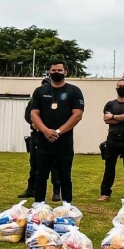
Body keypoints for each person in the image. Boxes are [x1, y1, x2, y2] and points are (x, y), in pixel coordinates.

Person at [30, 60, 84, 204]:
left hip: (64, 142)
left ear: (65, 72)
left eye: (60, 70)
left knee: (65, 176)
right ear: (49, 71)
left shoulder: (74, 91)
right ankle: (38, 206)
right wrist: (45, 131)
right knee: (40, 175)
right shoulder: (40, 91)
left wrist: (59, 131)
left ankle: (67, 207)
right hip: (43, 141)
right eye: (53, 70)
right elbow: (34, 114)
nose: (57, 73)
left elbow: (77, 115)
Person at [18, 77, 61, 201]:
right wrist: (33, 124)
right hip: (37, 136)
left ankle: (56, 191)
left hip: (53, 136)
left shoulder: (55, 100)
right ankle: (31, 189)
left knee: (54, 166)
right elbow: (28, 114)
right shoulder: (35, 100)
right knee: (34, 163)